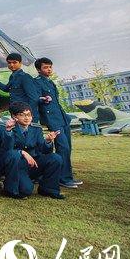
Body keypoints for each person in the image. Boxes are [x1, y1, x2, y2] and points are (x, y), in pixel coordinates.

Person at [1, 102, 65, 200]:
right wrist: (21, 151)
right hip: (18, 166)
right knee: (26, 190)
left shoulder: (36, 128)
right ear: (14, 116)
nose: (27, 118)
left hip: (34, 163)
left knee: (55, 158)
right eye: (22, 115)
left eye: (29, 115)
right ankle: (10, 188)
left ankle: (49, 189)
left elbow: (44, 150)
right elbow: (7, 150)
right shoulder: (7, 128)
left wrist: (48, 141)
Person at [34, 58, 81, 188]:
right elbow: (35, 98)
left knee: (67, 148)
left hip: (62, 118)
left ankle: (67, 176)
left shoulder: (51, 83)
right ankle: (63, 179)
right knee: (63, 147)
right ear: (39, 69)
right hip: (52, 120)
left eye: (50, 67)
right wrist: (42, 99)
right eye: (45, 67)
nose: (49, 69)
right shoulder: (37, 82)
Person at [0, 53, 42, 123]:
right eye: (9, 63)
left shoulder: (25, 77)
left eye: (14, 62)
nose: (11, 65)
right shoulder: (13, 77)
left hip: (25, 114)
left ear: (20, 63)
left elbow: (34, 98)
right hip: (15, 112)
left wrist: (27, 114)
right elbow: (6, 89)